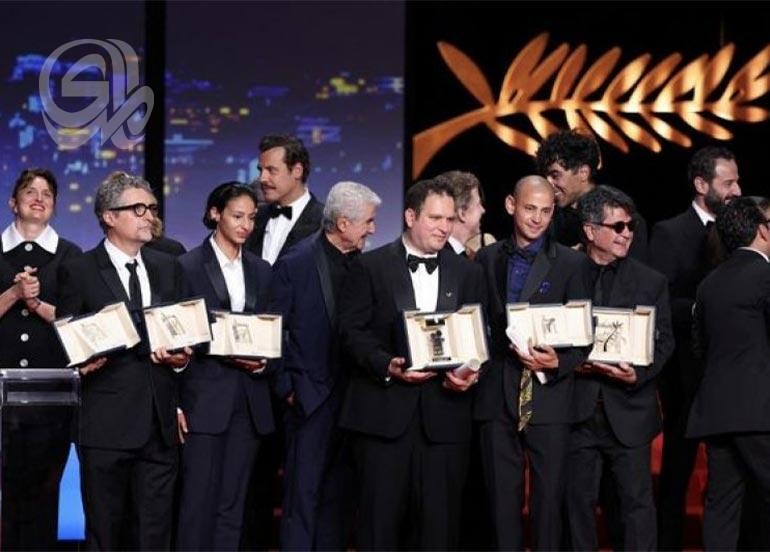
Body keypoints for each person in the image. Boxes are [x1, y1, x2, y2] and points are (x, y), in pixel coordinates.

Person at [338, 178, 485, 549]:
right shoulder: (369, 266)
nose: (444, 227)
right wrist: (386, 364)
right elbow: (351, 332)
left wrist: (471, 372)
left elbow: (480, 336)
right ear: (410, 217)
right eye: (435, 218)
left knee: (439, 531)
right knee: (378, 528)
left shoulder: (469, 272)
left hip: (445, 421)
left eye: (450, 219)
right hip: (383, 419)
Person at [57, 171, 191, 550]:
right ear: (109, 216)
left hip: (159, 425)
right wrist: (80, 363)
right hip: (105, 426)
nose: (149, 216)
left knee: (155, 534)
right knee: (106, 534)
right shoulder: (79, 270)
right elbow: (66, 342)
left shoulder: (169, 266)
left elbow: (181, 333)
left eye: (151, 207)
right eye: (138, 209)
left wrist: (181, 360)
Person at [473, 175, 588, 550]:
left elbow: (585, 337)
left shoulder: (572, 263)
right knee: (500, 503)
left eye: (546, 211)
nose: (538, 219)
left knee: (548, 502)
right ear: (511, 205)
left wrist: (559, 361)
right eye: (529, 209)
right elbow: (479, 324)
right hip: (496, 396)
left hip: (549, 396)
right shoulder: (487, 258)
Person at [271, 181, 381, 550]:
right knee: (302, 497)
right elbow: (274, 330)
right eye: (368, 221)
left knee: (340, 499)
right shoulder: (296, 262)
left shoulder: (366, 264)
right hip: (309, 401)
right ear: (344, 223)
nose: (373, 229)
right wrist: (288, 389)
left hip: (354, 401)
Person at [566, 185, 674, 551]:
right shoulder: (563, 273)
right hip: (577, 411)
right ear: (590, 230)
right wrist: (566, 364)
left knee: (636, 505)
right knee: (577, 505)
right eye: (617, 226)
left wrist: (637, 375)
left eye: (630, 226)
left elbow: (664, 342)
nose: (627, 233)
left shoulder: (651, 281)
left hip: (629, 409)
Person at [649, 146, 741, 550]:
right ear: (701, 185)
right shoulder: (670, 232)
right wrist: (706, 309)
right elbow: (661, 301)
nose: (737, 190)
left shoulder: (744, 230)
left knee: (732, 469)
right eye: (728, 182)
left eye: (738, 181)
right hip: (685, 373)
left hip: (730, 371)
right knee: (678, 466)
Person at [174, 182, 274, 549]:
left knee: (233, 507)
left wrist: (263, 364)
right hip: (203, 401)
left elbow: (274, 330)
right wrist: (175, 404)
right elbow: (176, 332)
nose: (246, 225)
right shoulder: (186, 266)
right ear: (215, 214)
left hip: (248, 401)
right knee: (196, 504)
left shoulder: (262, 270)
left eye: (252, 217)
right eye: (237, 216)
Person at [0, 168, 82, 550]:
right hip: (1, 399)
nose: (39, 198)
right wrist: (14, 294)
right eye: (30, 191)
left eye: (47, 193)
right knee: (9, 497)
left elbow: (77, 322)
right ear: (12, 202)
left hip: (53, 399)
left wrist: (36, 304)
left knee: (45, 494)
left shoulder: (71, 256)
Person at [685, 196, 770, 550]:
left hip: (717, 412)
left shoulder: (709, 283)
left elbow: (699, 349)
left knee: (722, 505)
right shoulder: (765, 275)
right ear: (763, 231)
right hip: (760, 411)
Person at [535, 128, 649, 261]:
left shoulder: (625, 220)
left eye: (555, 175)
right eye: (546, 176)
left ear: (583, 173)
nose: (548, 183)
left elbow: (637, 271)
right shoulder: (548, 219)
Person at [244, 134, 323, 265]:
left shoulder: (324, 223)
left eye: (271, 170)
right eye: (261, 170)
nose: (262, 178)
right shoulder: (253, 218)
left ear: (297, 171)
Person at [435, 170, 492, 258]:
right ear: (462, 213)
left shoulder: (468, 256)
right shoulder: (441, 258)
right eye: (478, 204)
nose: (483, 210)